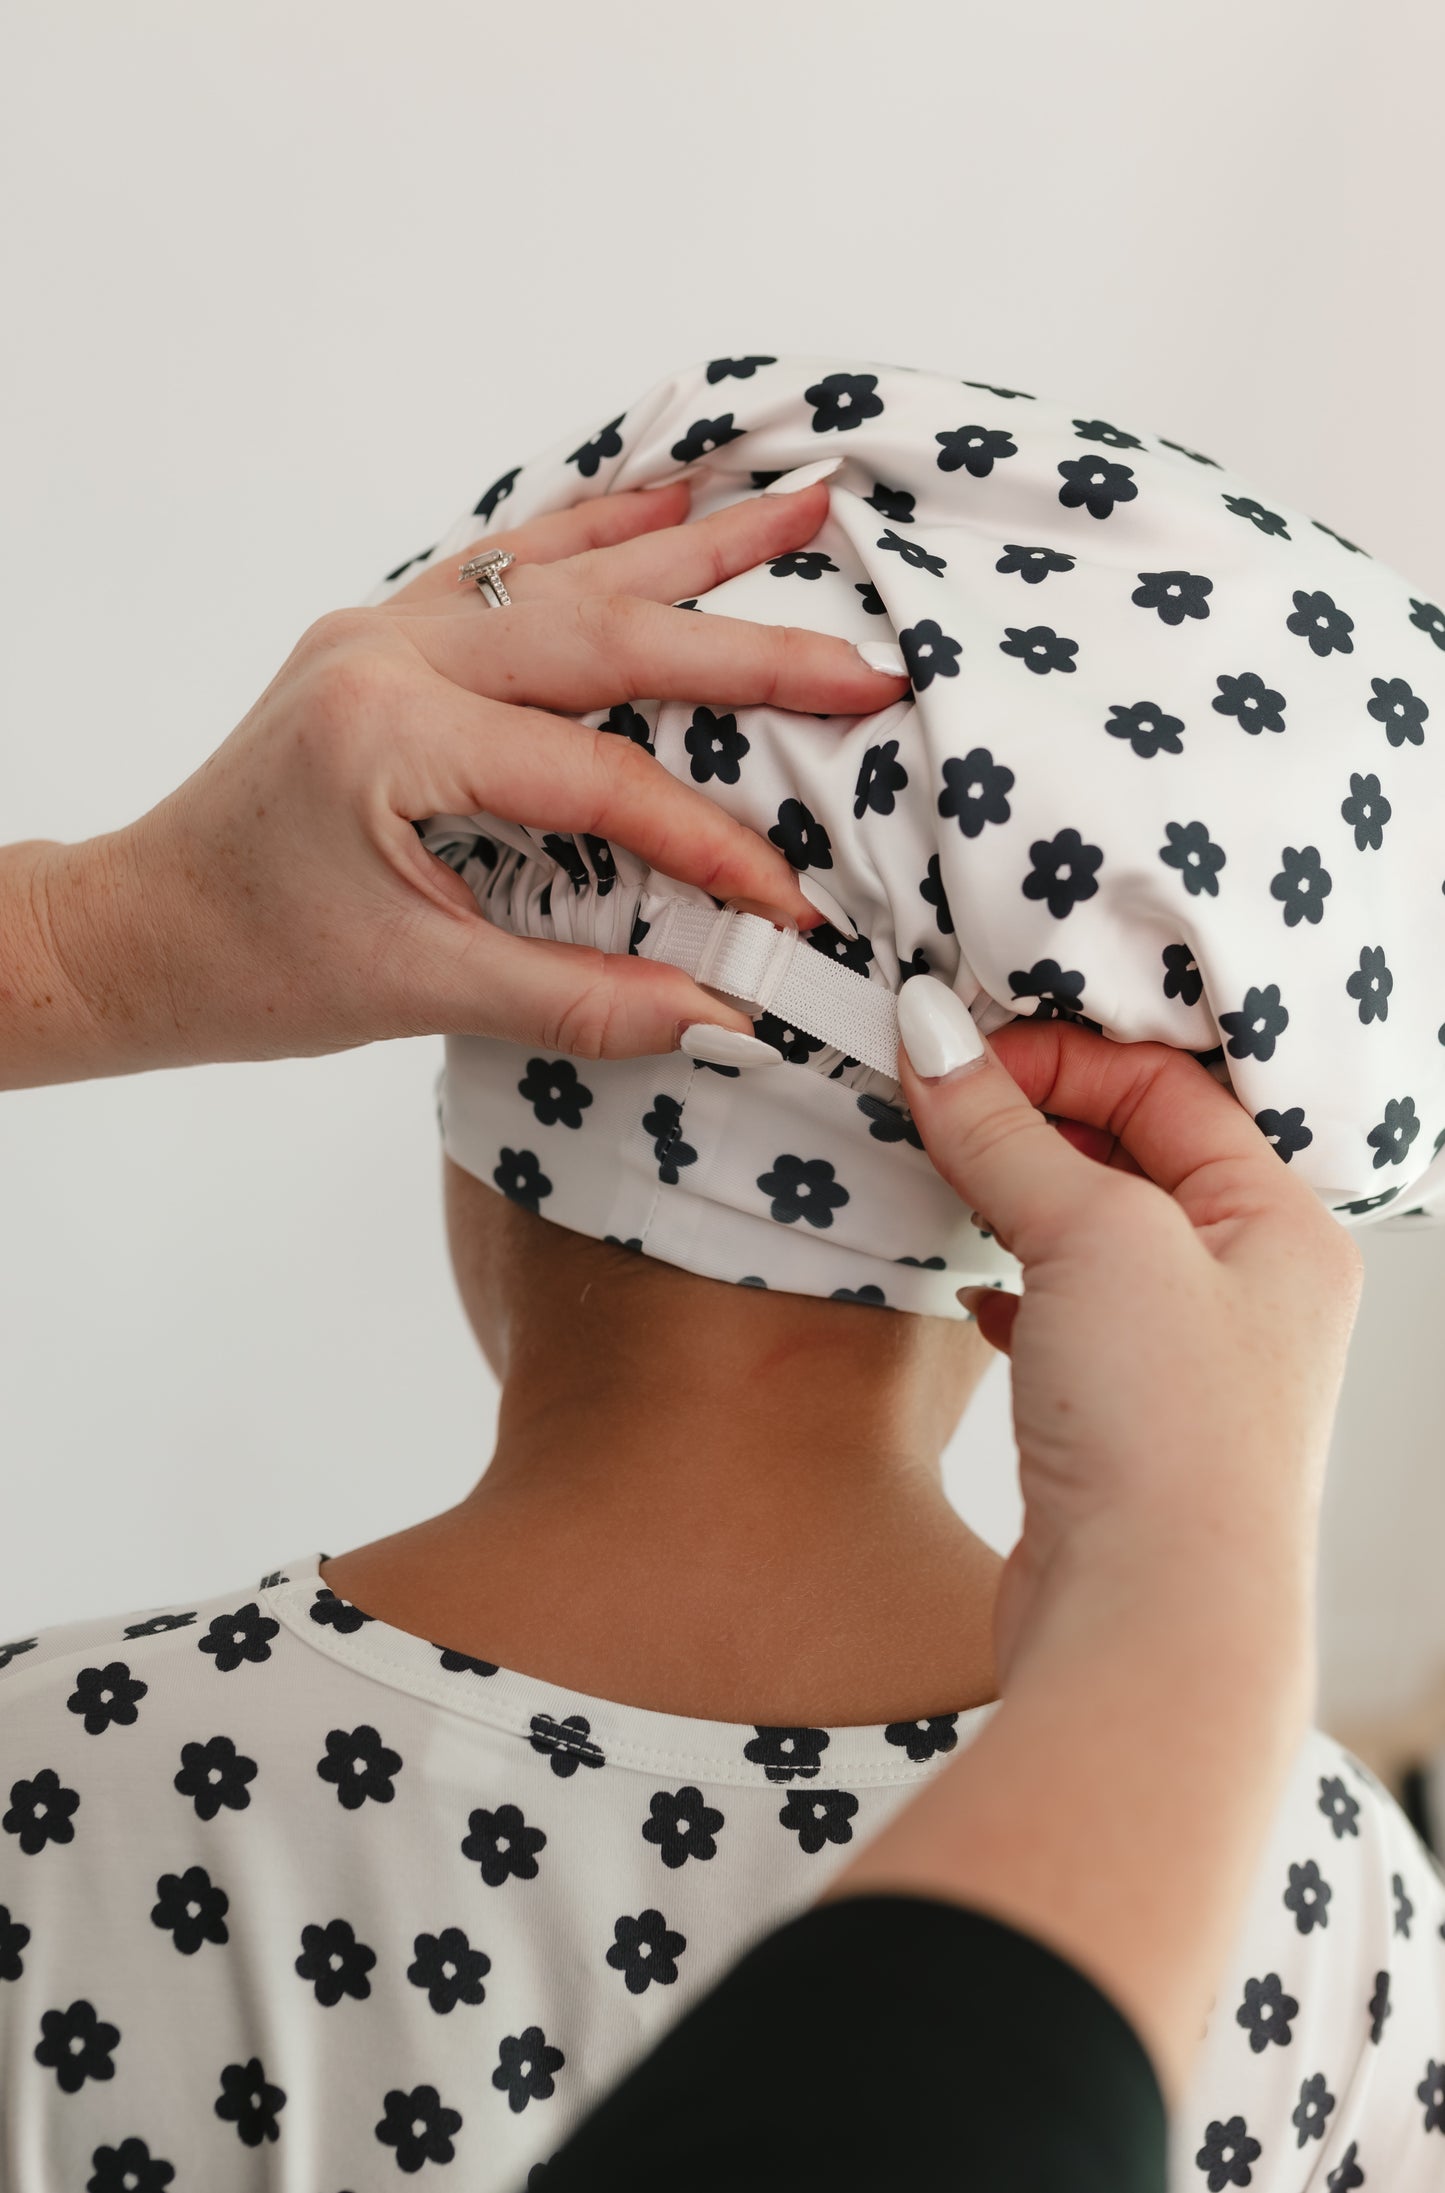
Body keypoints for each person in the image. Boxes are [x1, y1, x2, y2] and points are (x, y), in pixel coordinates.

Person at [2, 354, 1443, 2193]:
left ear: (468, 1016)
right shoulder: (1311, 1900)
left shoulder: (54, 1790)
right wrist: (1217, 1577)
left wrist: (79, 937)